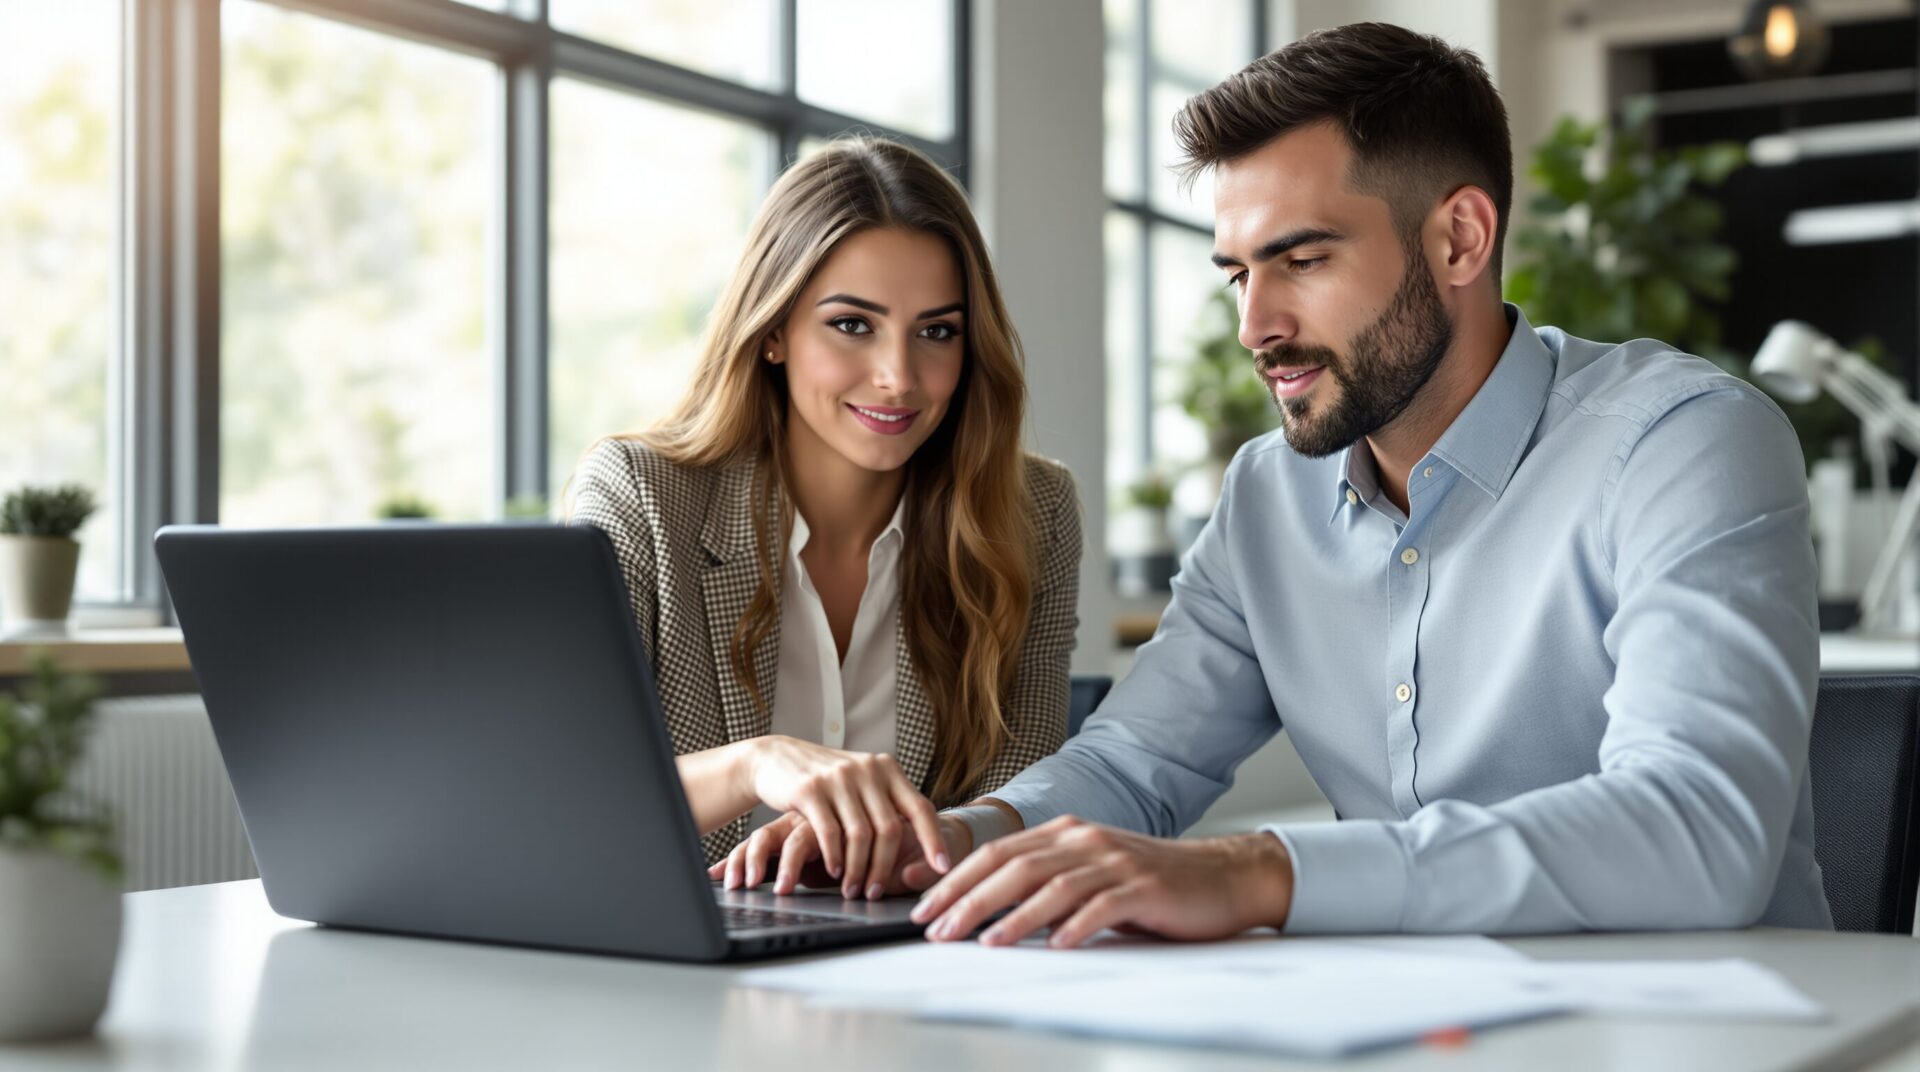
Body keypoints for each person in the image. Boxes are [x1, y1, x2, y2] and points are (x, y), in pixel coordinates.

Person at [892, 21, 1831, 944]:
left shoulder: (1684, 442)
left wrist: (1260, 871)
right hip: (1405, 1026)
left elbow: (1700, 827)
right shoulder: (1267, 497)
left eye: (1302, 260)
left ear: (1460, 239)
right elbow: (1138, 761)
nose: (1255, 325)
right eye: (1237, 275)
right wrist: (953, 841)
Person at [568, 138, 1083, 904]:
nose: (899, 377)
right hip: (667, 970)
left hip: (915, 961)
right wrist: (753, 765)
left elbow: (1027, 796)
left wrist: (925, 842)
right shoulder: (640, 495)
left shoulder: (1029, 513)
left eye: (937, 331)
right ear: (773, 330)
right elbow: (568, 797)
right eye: (852, 325)